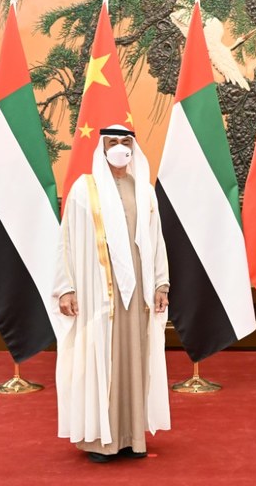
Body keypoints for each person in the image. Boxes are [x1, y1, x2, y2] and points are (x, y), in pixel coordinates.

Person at [53, 124, 171, 463]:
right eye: (113, 142)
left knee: (133, 358)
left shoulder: (144, 191)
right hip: (97, 292)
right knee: (100, 358)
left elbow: (156, 239)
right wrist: (66, 288)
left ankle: (131, 437)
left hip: (138, 295)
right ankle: (99, 441)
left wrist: (161, 283)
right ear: (102, 147)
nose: (120, 148)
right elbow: (66, 240)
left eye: (125, 142)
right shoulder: (83, 190)